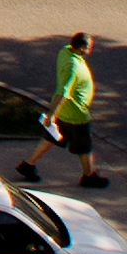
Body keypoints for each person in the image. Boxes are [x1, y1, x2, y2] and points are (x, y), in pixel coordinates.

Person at [13, 31, 107, 188]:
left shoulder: (65, 52)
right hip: (76, 114)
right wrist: (51, 114)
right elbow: (63, 92)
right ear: (82, 48)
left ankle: (28, 165)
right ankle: (88, 176)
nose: (90, 50)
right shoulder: (73, 67)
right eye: (89, 47)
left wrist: (54, 114)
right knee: (84, 147)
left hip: (64, 112)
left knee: (51, 138)